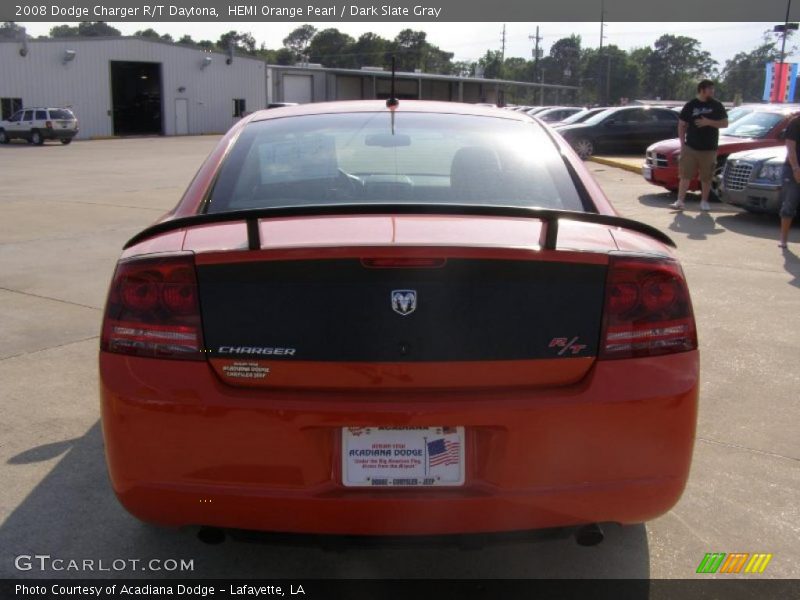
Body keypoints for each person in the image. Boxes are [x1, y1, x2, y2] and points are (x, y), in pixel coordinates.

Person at [671, 80, 729, 211]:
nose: (712, 92)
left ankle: (704, 202)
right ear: (702, 90)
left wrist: (709, 122)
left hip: (709, 148)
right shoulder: (691, 105)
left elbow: (725, 123)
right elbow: (682, 125)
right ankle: (680, 201)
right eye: (710, 89)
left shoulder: (717, 105)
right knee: (685, 175)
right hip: (690, 147)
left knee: (706, 177)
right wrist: (682, 144)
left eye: (713, 89)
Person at [780, 114, 800, 249]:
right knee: (790, 203)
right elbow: (790, 147)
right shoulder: (796, 123)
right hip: (793, 168)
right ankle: (783, 239)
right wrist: (796, 168)